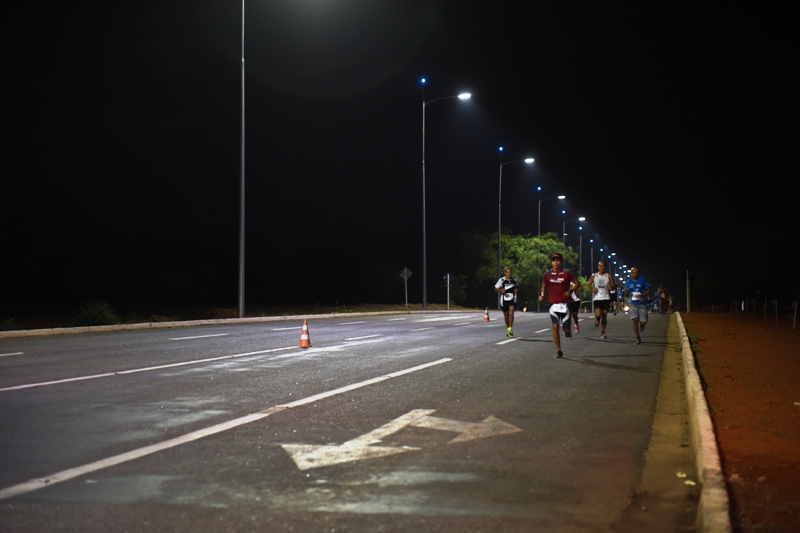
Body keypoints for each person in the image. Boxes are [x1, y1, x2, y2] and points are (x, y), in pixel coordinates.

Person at [539, 253, 581, 358]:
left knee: (566, 331)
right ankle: (559, 350)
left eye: (558, 260)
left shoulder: (567, 272)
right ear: (551, 262)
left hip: (566, 304)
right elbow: (544, 286)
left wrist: (570, 291)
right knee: (555, 325)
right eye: (554, 260)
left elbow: (577, 284)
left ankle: (567, 330)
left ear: (561, 262)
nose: (555, 262)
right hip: (553, 304)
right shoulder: (547, 274)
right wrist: (542, 295)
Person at [625, 267, 652, 345]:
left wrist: (642, 295)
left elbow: (650, 290)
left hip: (642, 303)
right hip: (633, 303)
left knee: (643, 322)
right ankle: (638, 338)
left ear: (638, 273)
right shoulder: (628, 282)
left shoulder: (642, 280)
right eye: (633, 272)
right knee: (635, 320)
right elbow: (627, 295)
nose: (635, 274)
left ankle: (642, 325)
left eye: (636, 272)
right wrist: (626, 292)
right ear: (631, 273)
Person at [587, 261, 612, 339]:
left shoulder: (608, 276)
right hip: (597, 298)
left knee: (604, 315)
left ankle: (603, 332)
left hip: (606, 298)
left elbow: (612, 285)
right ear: (598, 267)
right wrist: (592, 289)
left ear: (605, 267)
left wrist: (611, 286)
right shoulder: (594, 275)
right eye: (600, 266)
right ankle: (597, 319)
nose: (601, 267)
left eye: (603, 266)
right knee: (598, 314)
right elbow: (588, 284)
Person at [494, 266, 519, 337]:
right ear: (505, 273)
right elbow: (495, 289)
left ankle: (510, 329)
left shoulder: (515, 280)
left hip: (512, 299)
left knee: (511, 313)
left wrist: (516, 290)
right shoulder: (501, 280)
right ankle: (508, 328)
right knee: (506, 315)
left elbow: (517, 287)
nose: (509, 274)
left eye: (510, 272)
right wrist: (500, 290)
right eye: (507, 272)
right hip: (504, 300)